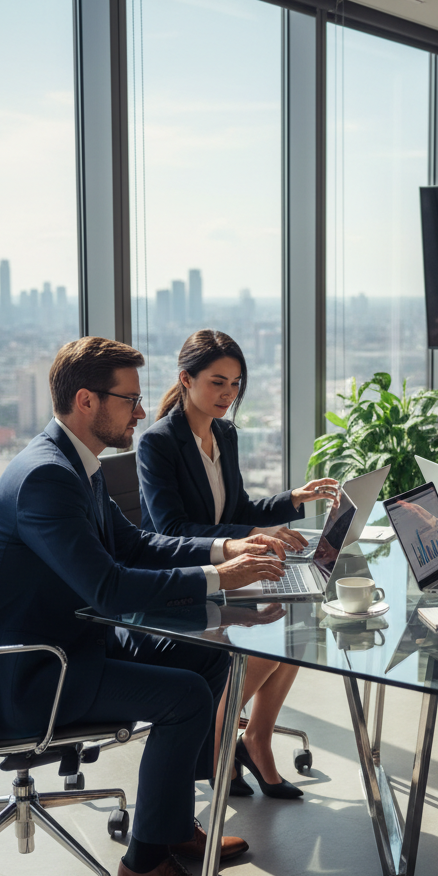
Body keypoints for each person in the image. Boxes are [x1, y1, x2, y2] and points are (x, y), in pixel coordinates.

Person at [0, 336, 290, 876]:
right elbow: (109, 587)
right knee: (187, 697)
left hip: (69, 643)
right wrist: (221, 580)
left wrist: (223, 550)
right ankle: (143, 870)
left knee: (206, 658)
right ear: (87, 401)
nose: (143, 411)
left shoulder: (75, 464)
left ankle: (168, 824)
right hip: (33, 673)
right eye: (130, 400)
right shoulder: (48, 477)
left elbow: (136, 545)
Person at [137, 329, 339, 798]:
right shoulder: (159, 443)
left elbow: (237, 511)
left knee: (298, 613)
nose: (228, 395)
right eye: (217, 382)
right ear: (185, 380)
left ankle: (255, 738)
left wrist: (293, 499)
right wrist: (250, 536)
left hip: (228, 569)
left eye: (236, 384)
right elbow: (171, 530)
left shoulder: (223, 433)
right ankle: (219, 739)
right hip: (183, 577)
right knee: (275, 631)